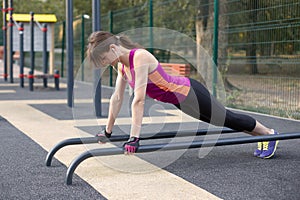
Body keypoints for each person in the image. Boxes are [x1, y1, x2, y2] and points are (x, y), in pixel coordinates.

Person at [86, 31, 279, 158]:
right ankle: (261, 136)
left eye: (103, 59)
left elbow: (139, 99)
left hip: (190, 93)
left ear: (112, 48)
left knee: (228, 118)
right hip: (181, 101)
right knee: (224, 122)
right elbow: (117, 98)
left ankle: (269, 133)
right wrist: (108, 131)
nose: (104, 64)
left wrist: (134, 137)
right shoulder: (120, 65)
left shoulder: (139, 57)